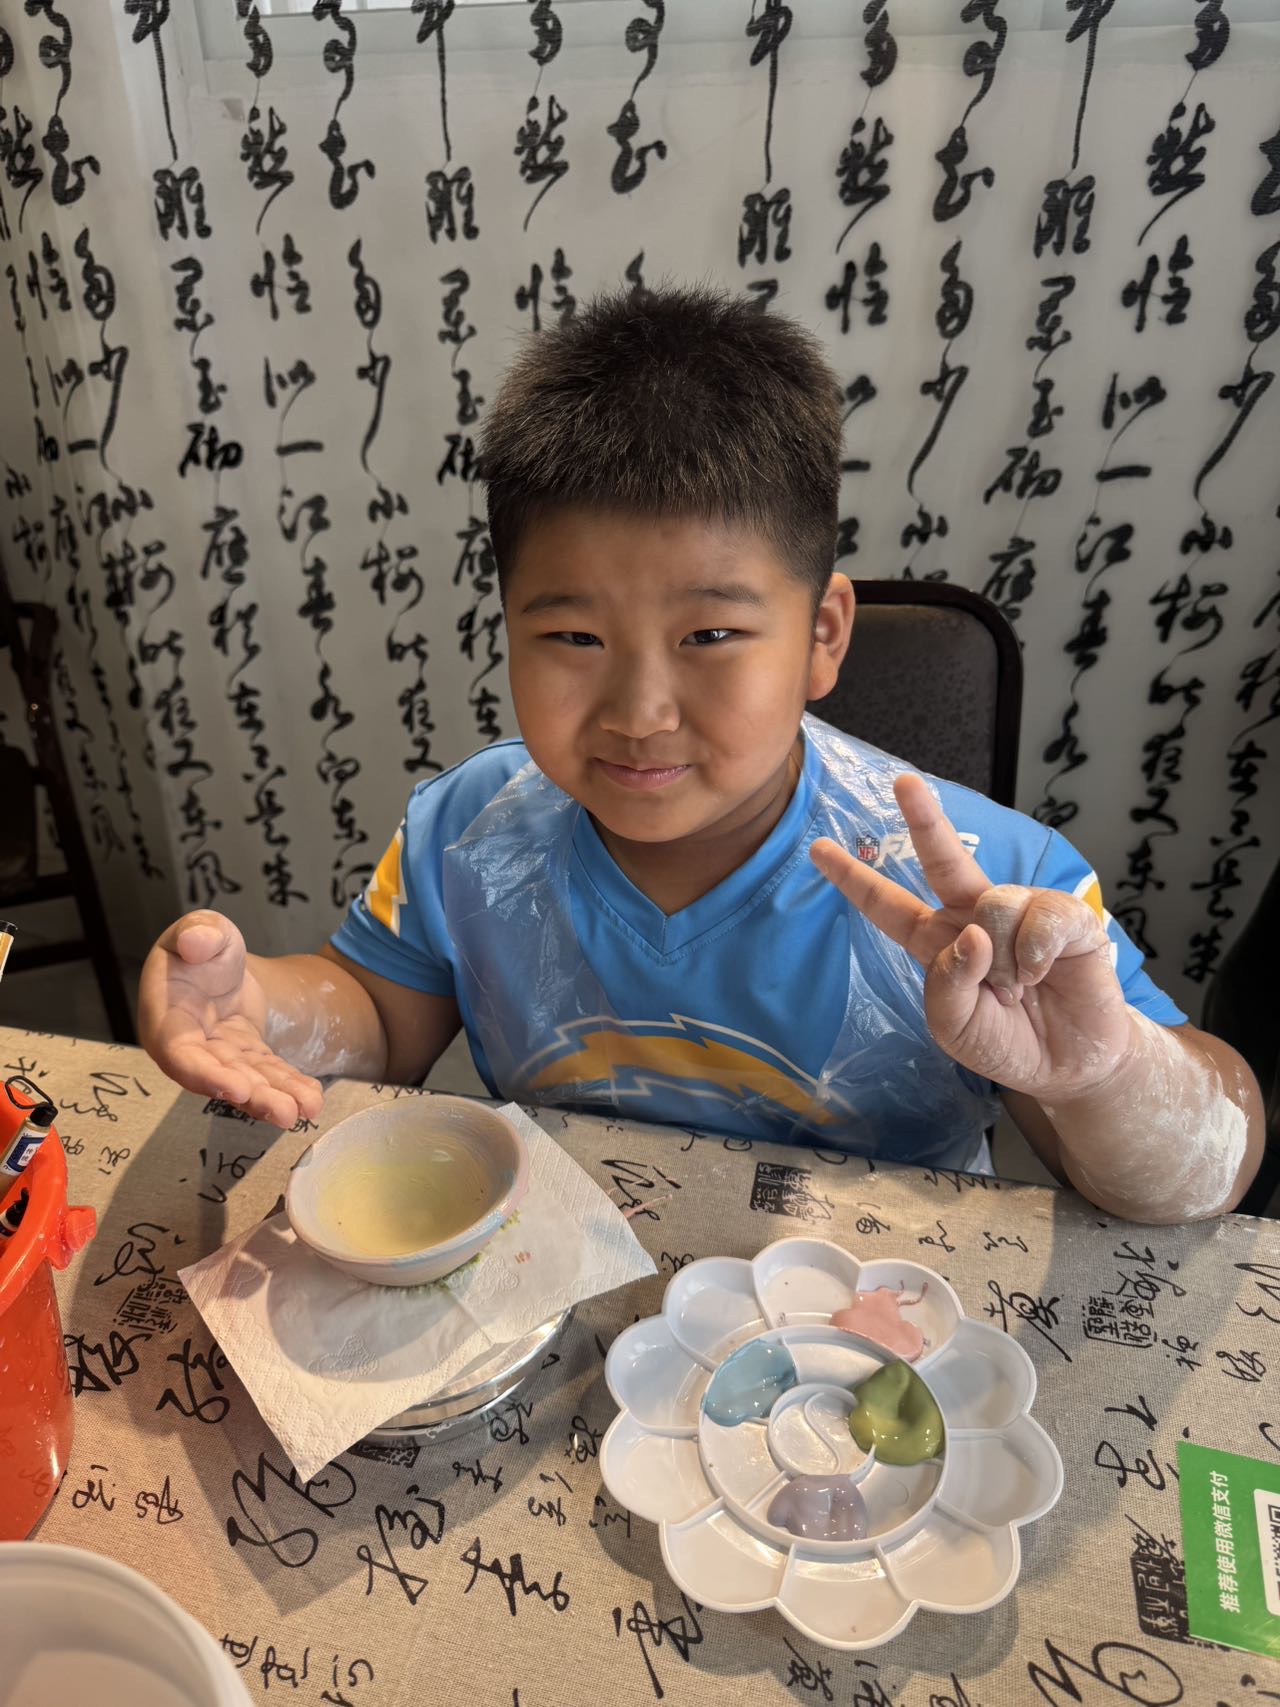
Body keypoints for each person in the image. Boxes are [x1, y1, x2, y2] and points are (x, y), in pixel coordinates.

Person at [137, 286, 1262, 1223]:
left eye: (711, 637)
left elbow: (1203, 1175)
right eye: (573, 638)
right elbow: (378, 1024)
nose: (639, 711)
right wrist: (261, 1008)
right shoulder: (467, 832)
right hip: (569, 1302)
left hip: (866, 1341)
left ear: (821, 634)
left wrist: (1108, 1075)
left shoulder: (993, 888)